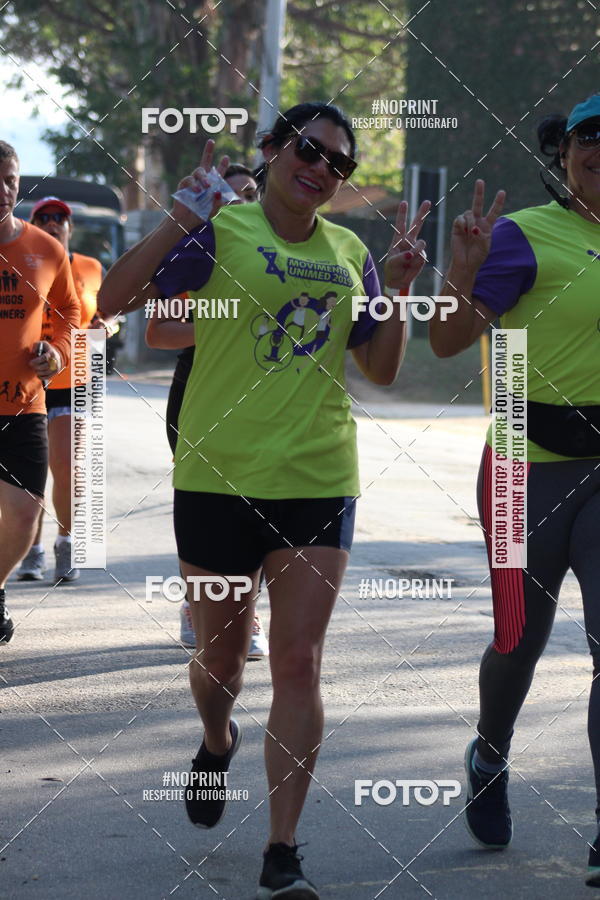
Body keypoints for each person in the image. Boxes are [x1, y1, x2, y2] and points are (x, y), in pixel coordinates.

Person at [100, 101, 429, 898]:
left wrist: (404, 291)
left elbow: (380, 369)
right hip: (216, 479)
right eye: (310, 151)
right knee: (219, 660)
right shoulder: (219, 230)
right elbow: (112, 300)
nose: (321, 170)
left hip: (319, 477)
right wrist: (179, 218)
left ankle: (282, 852)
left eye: (338, 165)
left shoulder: (352, 251)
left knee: (299, 659)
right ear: (276, 150)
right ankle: (217, 741)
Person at [429, 93, 600, 887]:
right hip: (521, 470)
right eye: (586, 138)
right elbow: (450, 338)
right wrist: (461, 274)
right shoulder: (528, 235)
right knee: (516, 641)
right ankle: (490, 753)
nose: (599, 149)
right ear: (561, 155)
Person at [145, 157, 267, 656]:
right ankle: (196, 604)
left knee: (258, 500)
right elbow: (157, 333)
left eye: (251, 195)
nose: (241, 203)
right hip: (195, 389)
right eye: (230, 195)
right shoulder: (195, 254)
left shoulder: (271, 256)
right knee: (204, 503)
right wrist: (220, 328)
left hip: (259, 393)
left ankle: (248, 611)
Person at [0, 143, 80, 644]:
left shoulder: (45, 249)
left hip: (23, 403)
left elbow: (71, 313)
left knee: (26, 516)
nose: (2, 189)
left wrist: (57, 351)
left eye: (9, 178)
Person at [16, 196, 107, 583]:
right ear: (35, 224)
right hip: (30, 378)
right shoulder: (23, 260)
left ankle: (65, 542)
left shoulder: (90, 267)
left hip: (76, 377)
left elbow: (103, 311)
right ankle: (31, 551)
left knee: (68, 466)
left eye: (61, 218)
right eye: (44, 218)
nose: (53, 223)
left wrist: (108, 325)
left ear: (70, 228)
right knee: (28, 472)